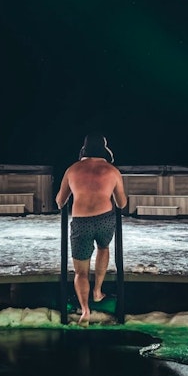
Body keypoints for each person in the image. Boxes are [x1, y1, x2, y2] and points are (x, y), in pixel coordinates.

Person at [55, 134, 128, 324]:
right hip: (105, 219)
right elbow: (121, 203)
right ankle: (97, 291)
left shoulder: (72, 169)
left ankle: (85, 310)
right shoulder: (112, 171)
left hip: (81, 222)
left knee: (81, 272)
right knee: (104, 248)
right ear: (104, 149)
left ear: (84, 149)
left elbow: (60, 201)